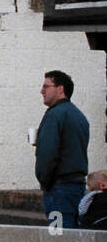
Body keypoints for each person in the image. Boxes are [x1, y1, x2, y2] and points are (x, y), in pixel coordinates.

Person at [34, 70, 90, 228]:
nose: (42, 91)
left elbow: (48, 154)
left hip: (59, 190)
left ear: (60, 89)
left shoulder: (55, 115)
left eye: (46, 86)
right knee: (73, 235)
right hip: (76, 187)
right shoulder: (79, 115)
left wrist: (45, 182)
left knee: (58, 236)